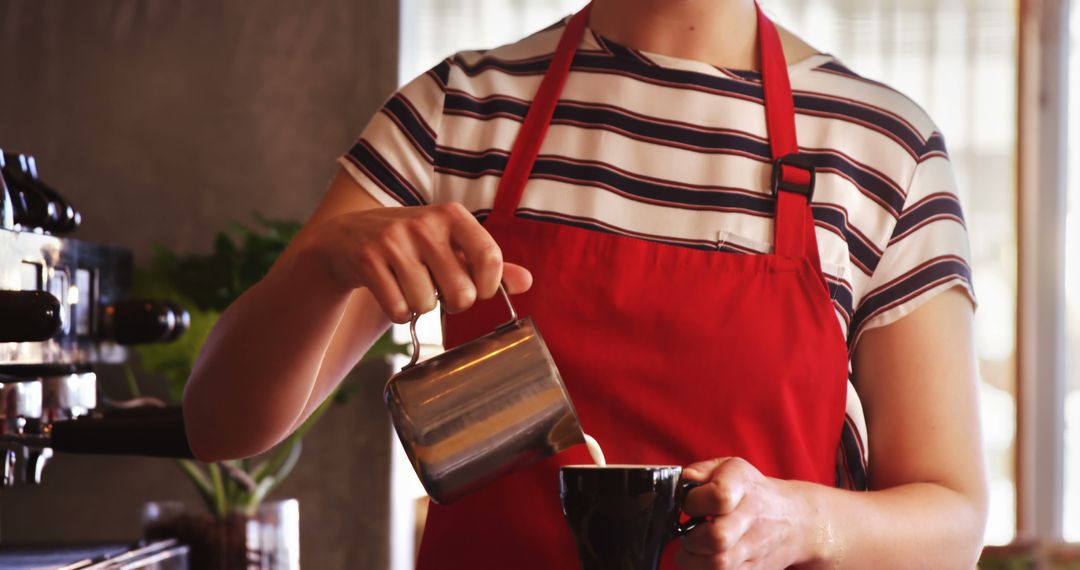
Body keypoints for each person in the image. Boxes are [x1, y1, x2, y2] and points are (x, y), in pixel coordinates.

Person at [182, 0, 989, 567]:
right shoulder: (459, 113)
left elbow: (952, 524)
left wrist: (801, 521)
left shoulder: (882, 146)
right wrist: (324, 266)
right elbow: (221, 426)